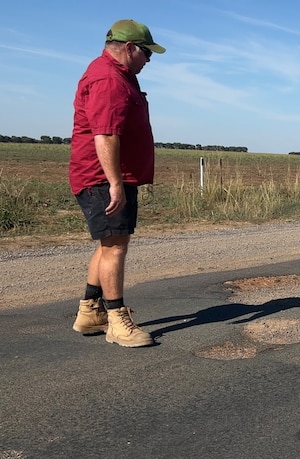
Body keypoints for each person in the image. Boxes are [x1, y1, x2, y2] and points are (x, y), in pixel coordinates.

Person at [69, 19, 165, 347]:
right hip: (102, 178)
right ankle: (117, 320)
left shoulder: (119, 75)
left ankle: (90, 311)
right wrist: (114, 184)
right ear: (129, 48)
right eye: (147, 52)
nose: (149, 59)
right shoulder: (109, 78)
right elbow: (105, 135)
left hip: (109, 175)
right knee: (115, 246)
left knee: (109, 242)